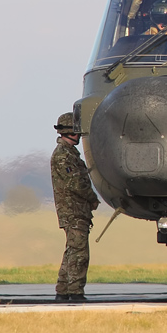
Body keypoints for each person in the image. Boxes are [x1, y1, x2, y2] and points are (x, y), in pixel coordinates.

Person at [50, 112, 100, 302]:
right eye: (76, 132)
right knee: (79, 254)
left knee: (71, 251)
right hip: (74, 211)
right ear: (69, 132)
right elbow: (76, 184)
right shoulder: (64, 156)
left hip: (76, 211)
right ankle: (75, 292)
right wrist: (92, 198)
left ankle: (63, 291)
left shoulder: (69, 154)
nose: (79, 136)